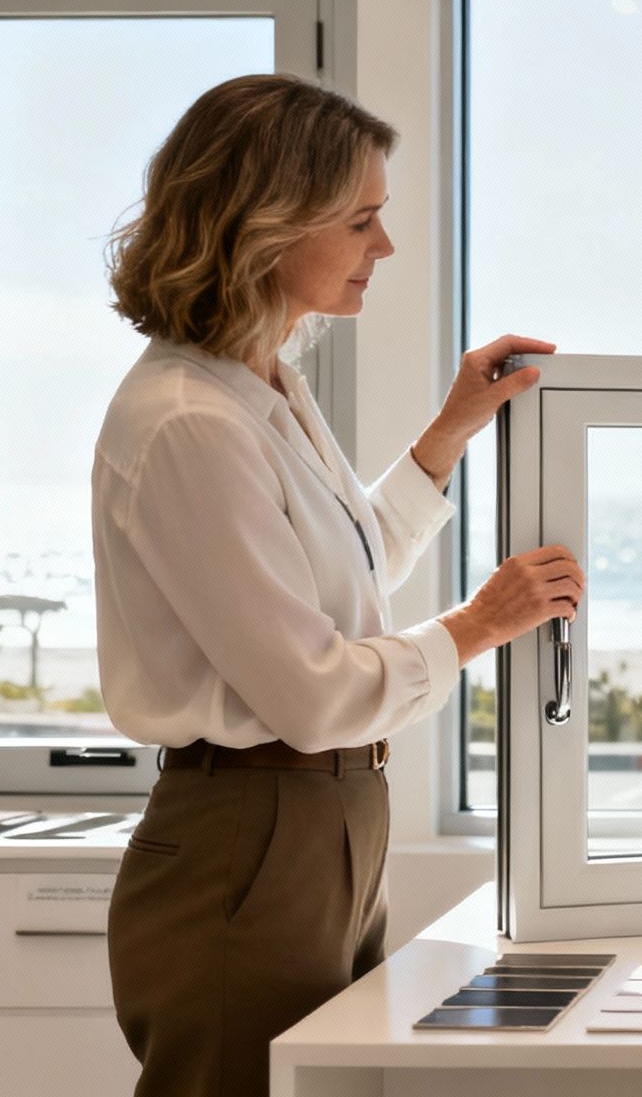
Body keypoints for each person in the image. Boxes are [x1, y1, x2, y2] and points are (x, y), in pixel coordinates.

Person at [94, 74, 584, 1097]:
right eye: (361, 220)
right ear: (261, 226)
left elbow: (343, 575)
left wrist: (450, 431)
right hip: (253, 833)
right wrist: (477, 626)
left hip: (326, 819)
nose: (385, 249)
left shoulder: (261, 383)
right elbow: (312, 689)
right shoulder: (191, 421)